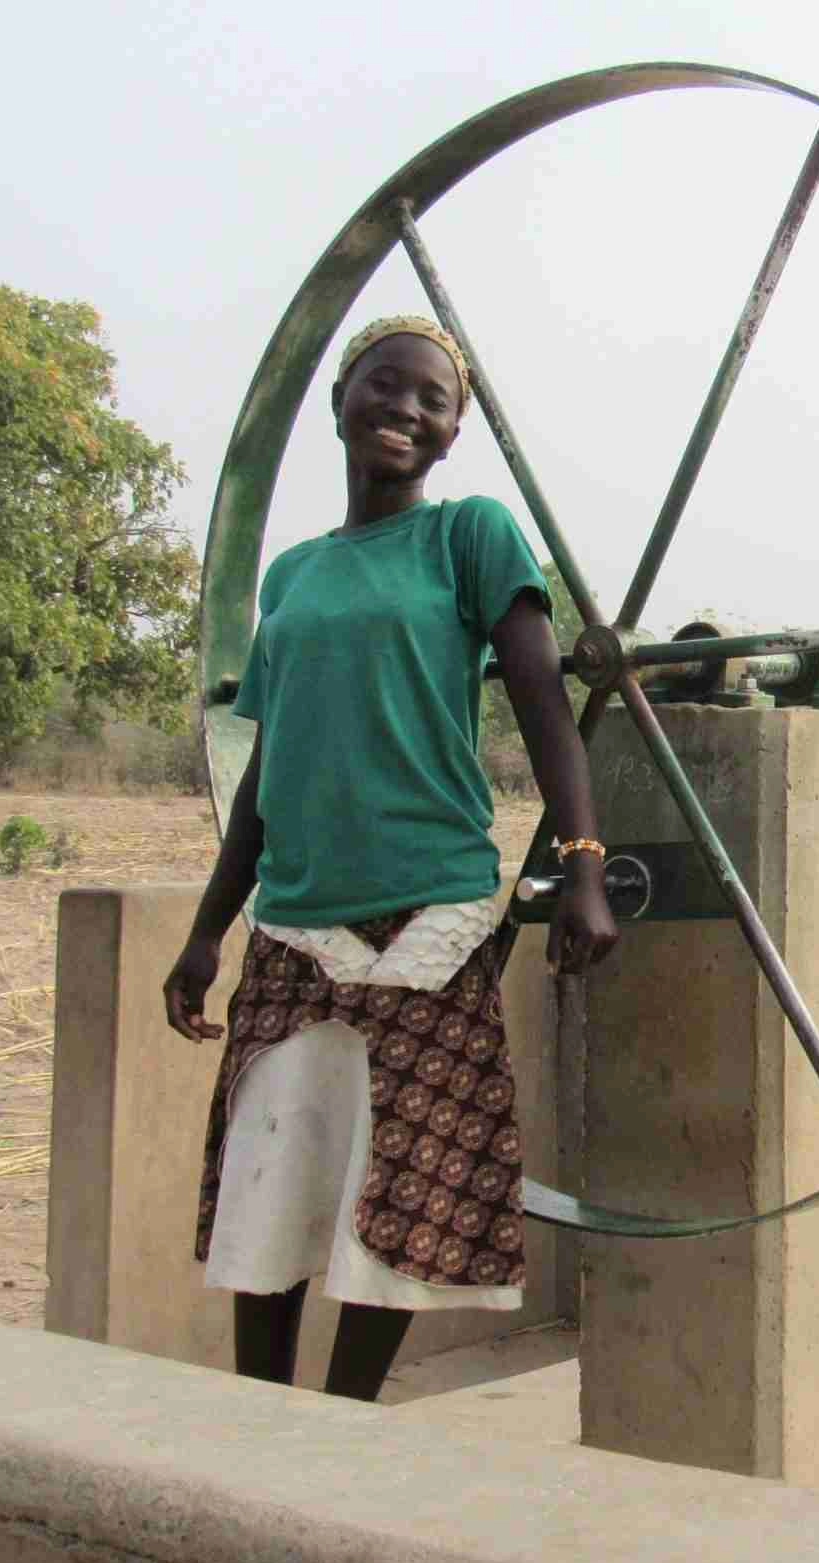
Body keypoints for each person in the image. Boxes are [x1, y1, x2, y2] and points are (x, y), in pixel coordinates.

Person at [162, 314, 617, 1401]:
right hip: (295, 924)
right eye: (384, 386)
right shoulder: (293, 577)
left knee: (404, 1185)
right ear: (339, 400)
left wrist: (582, 864)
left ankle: (341, 1420)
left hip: (430, 912)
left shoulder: (470, 536)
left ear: (453, 435)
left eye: (432, 400)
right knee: (271, 1181)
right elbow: (271, 772)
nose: (404, 411)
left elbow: (547, 706)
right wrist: (205, 930)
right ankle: (258, 1421)